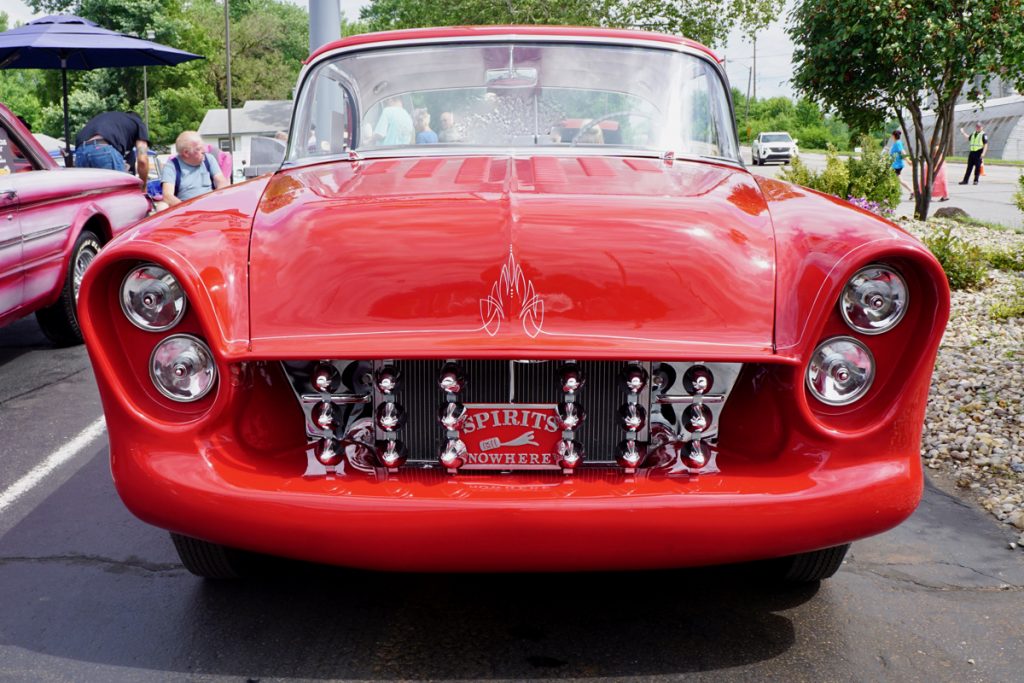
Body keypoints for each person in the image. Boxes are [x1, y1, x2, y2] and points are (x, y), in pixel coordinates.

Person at [156, 131, 227, 210]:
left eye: (203, 147)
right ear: (186, 153)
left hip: (211, 204)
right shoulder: (171, 166)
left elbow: (221, 181)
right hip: (184, 208)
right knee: (162, 207)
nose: (203, 151)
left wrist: (217, 197)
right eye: (198, 149)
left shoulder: (209, 159)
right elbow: (168, 196)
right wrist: (188, 208)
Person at [74, 111, 150, 178]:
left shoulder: (111, 118)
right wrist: (144, 186)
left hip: (81, 151)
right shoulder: (138, 122)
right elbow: (142, 160)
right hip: (103, 149)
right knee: (119, 192)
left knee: (90, 193)